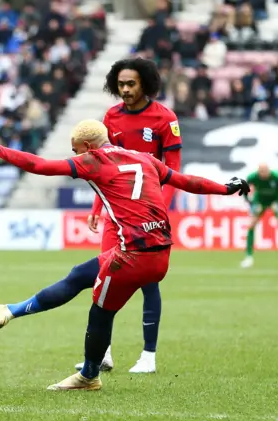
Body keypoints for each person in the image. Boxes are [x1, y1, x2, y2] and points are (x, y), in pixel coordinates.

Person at [0, 120, 249, 390]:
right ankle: (9, 311)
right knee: (80, 275)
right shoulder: (144, 158)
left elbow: (41, 165)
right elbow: (186, 181)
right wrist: (226, 188)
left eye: (75, 150)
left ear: (87, 146)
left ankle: (89, 375)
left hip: (134, 257)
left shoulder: (93, 160)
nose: (74, 155)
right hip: (160, 252)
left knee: (100, 312)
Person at [81, 57, 183, 374]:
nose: (125, 90)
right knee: (106, 277)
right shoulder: (111, 118)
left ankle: (148, 356)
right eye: (121, 84)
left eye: (131, 84)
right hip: (117, 214)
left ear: (145, 83)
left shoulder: (165, 119)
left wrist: (160, 209)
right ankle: (104, 353)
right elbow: (104, 167)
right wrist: (98, 208)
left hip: (149, 215)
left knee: (148, 283)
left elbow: (174, 170)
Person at [241, 163, 278, 270]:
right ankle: (248, 257)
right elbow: (244, 188)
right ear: (258, 171)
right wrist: (249, 201)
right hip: (260, 200)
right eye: (261, 171)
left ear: (269, 170)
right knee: (251, 225)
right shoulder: (252, 177)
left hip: (276, 200)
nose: (263, 174)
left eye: (264, 171)